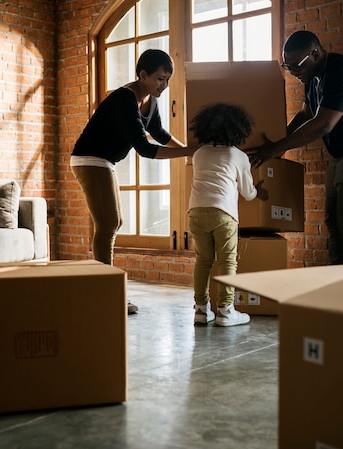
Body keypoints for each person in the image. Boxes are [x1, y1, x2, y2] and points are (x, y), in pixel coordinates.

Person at [248, 30, 343, 272]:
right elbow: (307, 113)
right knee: (334, 223)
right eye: (289, 67)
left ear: (315, 53)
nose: (295, 73)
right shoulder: (313, 77)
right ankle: (336, 284)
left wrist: (277, 148)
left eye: (297, 66)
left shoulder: (342, 72)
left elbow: (323, 123)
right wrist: (279, 138)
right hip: (342, 154)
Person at [71, 49, 195, 314]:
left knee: (114, 222)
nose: (165, 85)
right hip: (89, 159)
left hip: (104, 161)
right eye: (160, 79)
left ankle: (105, 289)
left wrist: (189, 153)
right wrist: (189, 153)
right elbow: (144, 148)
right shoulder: (124, 99)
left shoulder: (150, 100)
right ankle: (106, 294)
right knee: (107, 223)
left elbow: (159, 134)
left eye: (168, 80)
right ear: (142, 75)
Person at [187, 103, 268, 326]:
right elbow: (248, 193)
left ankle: (201, 310)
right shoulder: (238, 156)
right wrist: (258, 191)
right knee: (227, 261)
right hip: (223, 213)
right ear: (238, 130)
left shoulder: (199, 153)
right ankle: (225, 310)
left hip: (195, 212)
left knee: (202, 261)